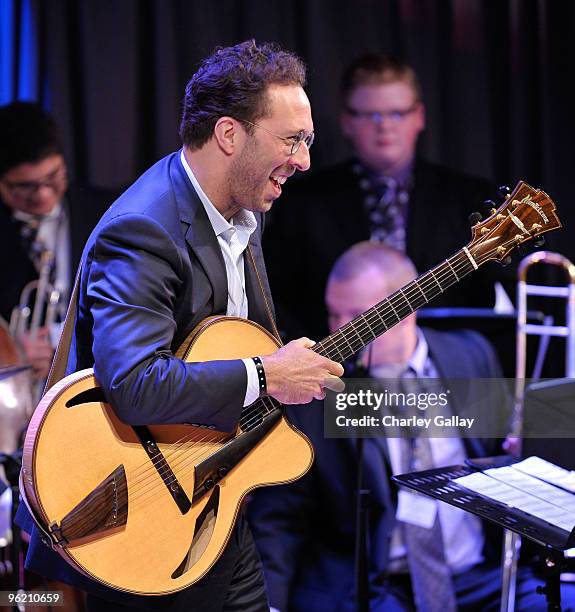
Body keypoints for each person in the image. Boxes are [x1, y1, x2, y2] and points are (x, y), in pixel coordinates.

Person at [16, 40, 344, 611]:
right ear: (229, 134)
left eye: (307, 140)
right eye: (292, 140)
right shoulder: (146, 229)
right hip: (139, 523)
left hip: (211, 506)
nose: (305, 160)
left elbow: (229, 341)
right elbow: (136, 384)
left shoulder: (243, 211)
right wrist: (268, 377)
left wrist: (287, 368)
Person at [248, 241, 573, 612]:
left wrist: (517, 450)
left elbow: (497, 451)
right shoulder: (316, 395)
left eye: (355, 316)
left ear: (403, 311)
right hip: (379, 585)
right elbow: (282, 512)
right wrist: (269, 604)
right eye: (333, 315)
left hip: (479, 574)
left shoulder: (470, 354)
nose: (339, 331)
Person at [263, 53, 506, 342]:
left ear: (419, 116)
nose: (385, 126)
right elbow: (276, 298)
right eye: (370, 115)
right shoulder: (302, 203)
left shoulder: (470, 198)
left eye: (397, 113)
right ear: (346, 121)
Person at [0, 102, 115, 381]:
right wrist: (10, 350)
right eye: (26, 186)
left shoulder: (106, 212)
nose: (42, 195)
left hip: (92, 380)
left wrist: (59, 340)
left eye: (52, 177)